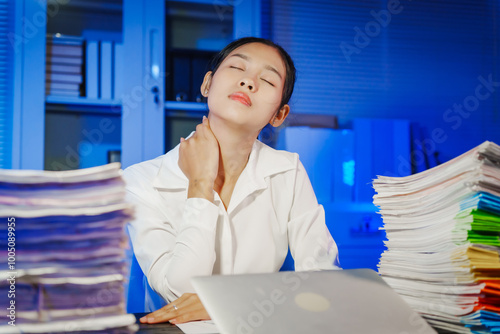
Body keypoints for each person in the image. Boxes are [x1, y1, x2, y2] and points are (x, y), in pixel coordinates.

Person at [124, 37, 340, 325]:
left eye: (267, 80)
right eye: (237, 67)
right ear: (207, 84)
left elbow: (325, 282)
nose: (248, 82)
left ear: (279, 115)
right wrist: (200, 184)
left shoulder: (287, 171)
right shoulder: (140, 180)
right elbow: (179, 293)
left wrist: (228, 302)